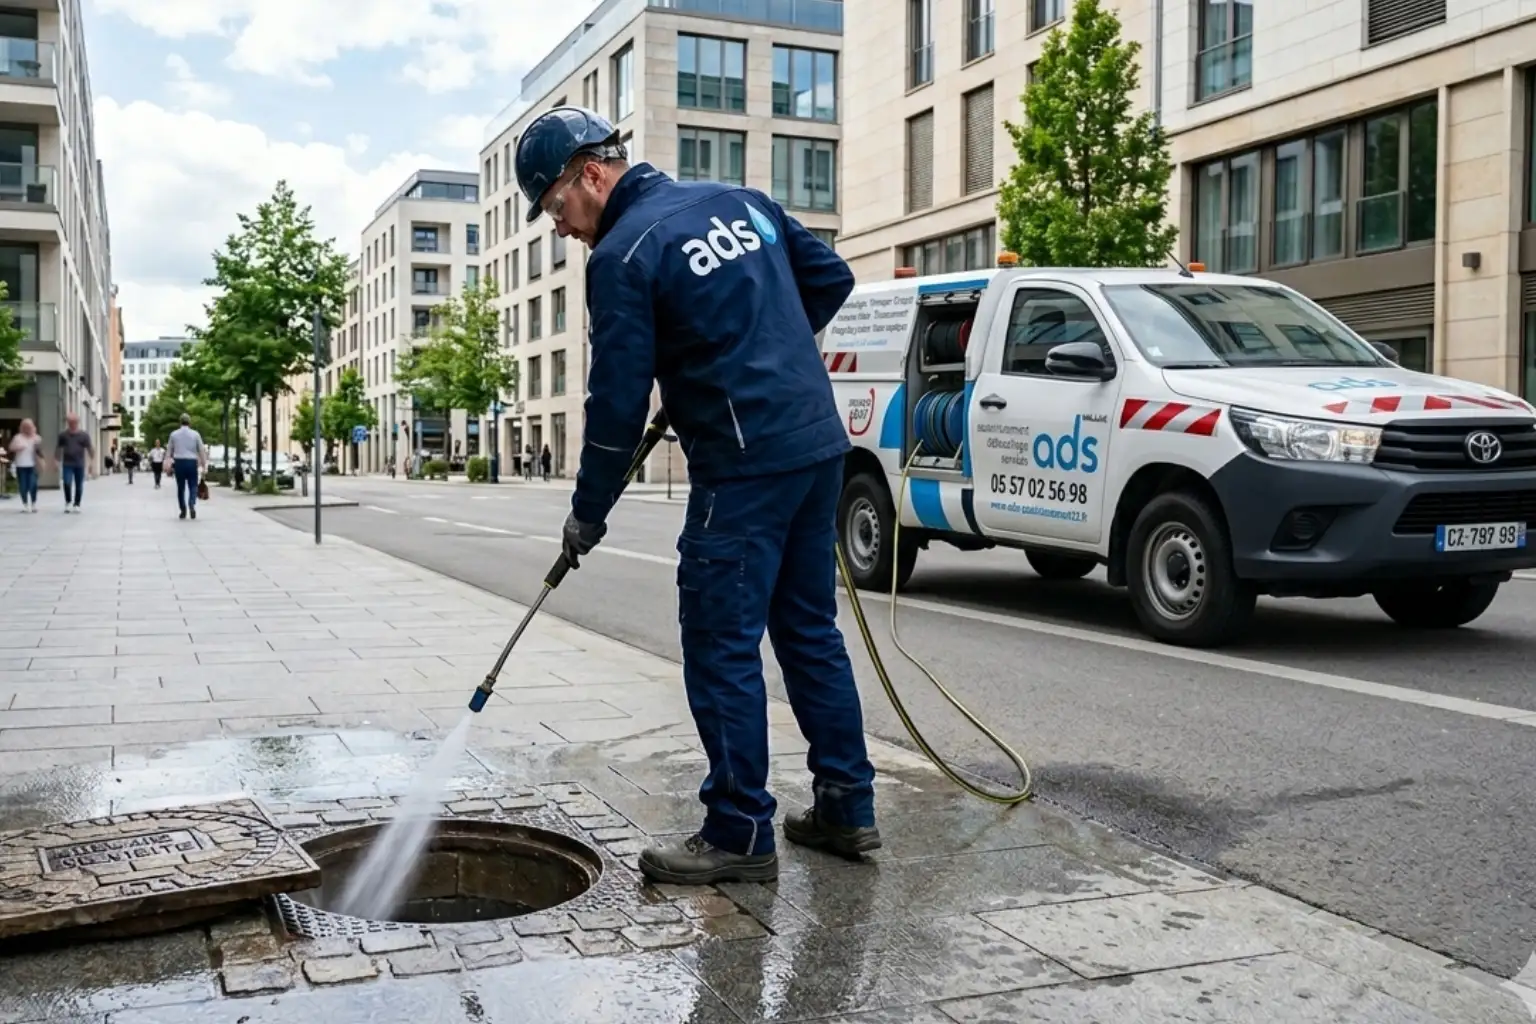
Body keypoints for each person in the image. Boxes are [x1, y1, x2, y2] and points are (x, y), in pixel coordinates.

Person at [515, 105, 876, 885]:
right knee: (810, 630)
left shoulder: (624, 253)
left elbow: (614, 406)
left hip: (743, 468)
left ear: (591, 173)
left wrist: (589, 511)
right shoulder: (741, 201)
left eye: (554, 207)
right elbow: (832, 277)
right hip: (816, 447)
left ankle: (740, 829)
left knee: (720, 645)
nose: (559, 227)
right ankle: (847, 805)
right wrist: (760, 351)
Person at [167, 413, 207, 519]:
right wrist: (204, 465)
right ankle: (191, 503)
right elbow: (201, 450)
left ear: (180, 422)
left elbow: (169, 451)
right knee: (193, 485)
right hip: (191, 462)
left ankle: (183, 509)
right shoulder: (195, 434)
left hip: (179, 462)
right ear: (190, 422)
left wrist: (167, 465)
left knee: (181, 488)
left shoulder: (174, 434)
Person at [55, 412, 91, 512]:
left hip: (79, 463)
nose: (72, 424)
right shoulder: (63, 435)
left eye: (74, 422)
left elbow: (89, 448)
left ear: (77, 422)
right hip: (67, 463)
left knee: (79, 484)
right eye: (70, 422)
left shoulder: (83, 435)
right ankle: (68, 502)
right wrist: (56, 460)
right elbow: (58, 448)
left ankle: (77, 503)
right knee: (67, 482)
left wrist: (91, 462)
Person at [8, 419, 43, 512]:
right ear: (22, 428)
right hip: (21, 465)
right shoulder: (18, 438)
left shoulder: (37, 438)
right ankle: (25, 504)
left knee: (33, 484)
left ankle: (33, 503)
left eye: (30, 427)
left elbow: (39, 451)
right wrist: (17, 448)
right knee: (23, 486)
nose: (28, 429)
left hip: (33, 465)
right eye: (26, 427)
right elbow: (11, 448)